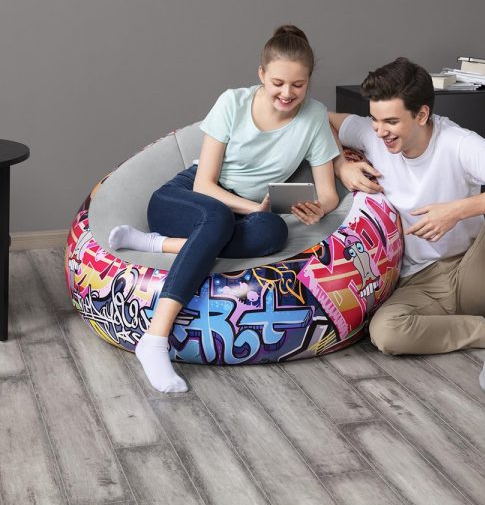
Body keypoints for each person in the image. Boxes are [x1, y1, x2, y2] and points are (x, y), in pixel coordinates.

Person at [110, 25, 340, 392]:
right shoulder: (233, 102)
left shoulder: (314, 117)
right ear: (261, 74)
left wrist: (318, 207)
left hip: (240, 215)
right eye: (278, 82)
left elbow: (329, 194)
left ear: (309, 81)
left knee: (274, 232)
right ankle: (154, 339)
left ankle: (157, 243)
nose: (287, 93)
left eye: (298, 85)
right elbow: (204, 184)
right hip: (186, 198)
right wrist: (253, 207)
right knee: (217, 217)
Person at [329, 57, 485, 396]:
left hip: (473, 272)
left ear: (421, 114)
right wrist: (341, 166)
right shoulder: (373, 135)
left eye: (391, 121)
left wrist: (456, 211)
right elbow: (320, 119)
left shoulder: (458, 142)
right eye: (374, 119)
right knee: (386, 333)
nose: (379, 130)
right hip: (419, 281)